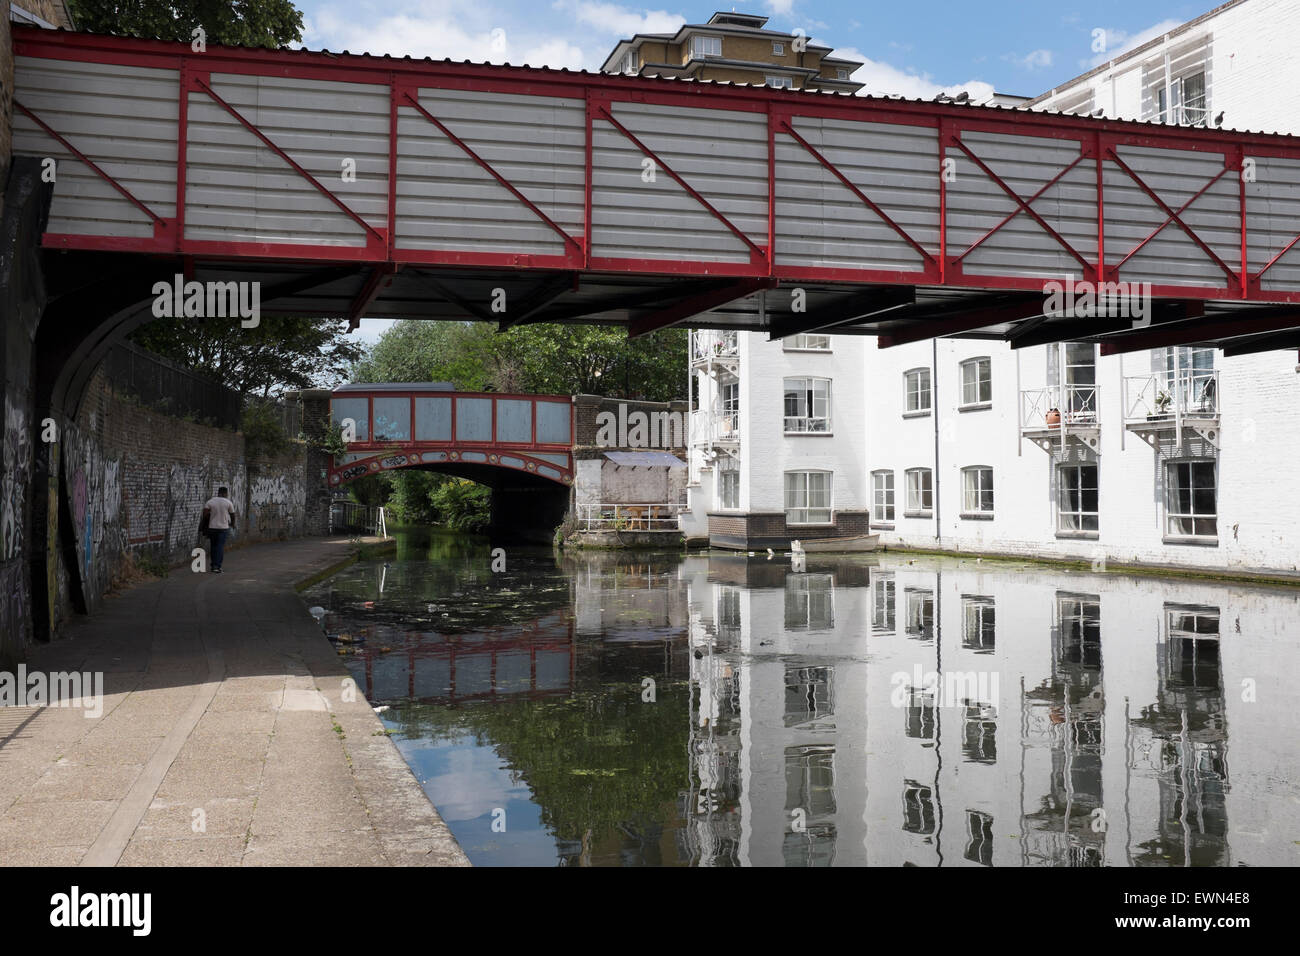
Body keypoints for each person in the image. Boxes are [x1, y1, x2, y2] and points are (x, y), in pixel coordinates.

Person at [202, 486, 237, 573]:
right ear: (225, 493)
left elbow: (205, 514)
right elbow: (232, 515)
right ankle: (217, 567)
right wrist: (232, 524)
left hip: (212, 528)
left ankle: (213, 565)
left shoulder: (210, 501)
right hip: (223, 528)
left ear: (218, 492)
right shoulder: (228, 502)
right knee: (220, 547)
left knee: (213, 547)